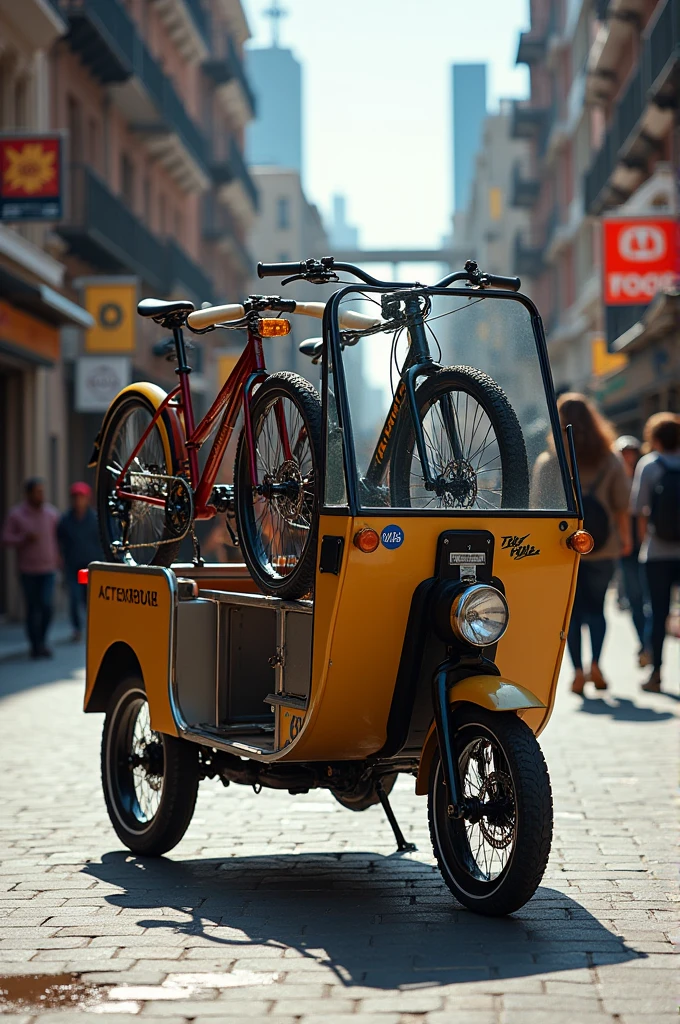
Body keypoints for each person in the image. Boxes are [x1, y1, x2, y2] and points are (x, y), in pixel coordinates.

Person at [534, 394, 631, 695]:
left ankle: (576, 671)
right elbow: (622, 505)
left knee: (572, 614)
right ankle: (597, 665)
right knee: (597, 610)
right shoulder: (610, 457)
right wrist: (625, 539)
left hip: (564, 549)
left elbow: (539, 507)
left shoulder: (550, 461)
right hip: (603, 546)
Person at [630, 412, 680, 693]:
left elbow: (638, 510)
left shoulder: (649, 466)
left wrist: (640, 545)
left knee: (658, 613)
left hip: (657, 553)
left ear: (655, 438)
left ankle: (657, 674)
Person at [2, 477, 59, 658]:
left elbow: (58, 540)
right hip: (28, 570)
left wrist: (60, 560)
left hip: (49, 569)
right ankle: (36, 646)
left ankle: (42, 640)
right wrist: (23, 539)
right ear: (28, 494)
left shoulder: (51, 514)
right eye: (37, 491)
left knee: (47, 607)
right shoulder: (16, 515)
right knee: (33, 609)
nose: (41, 495)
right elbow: (5, 538)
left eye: (42, 491)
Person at [613, 435, 651, 666]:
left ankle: (648, 645)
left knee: (650, 599)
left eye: (631, 452)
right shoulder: (614, 476)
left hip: (648, 545)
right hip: (626, 548)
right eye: (624, 452)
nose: (628, 456)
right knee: (636, 599)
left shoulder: (644, 475)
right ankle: (645, 645)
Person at [57, 482, 103, 641]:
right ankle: (77, 628)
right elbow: (59, 540)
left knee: (90, 599)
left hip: (91, 566)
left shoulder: (96, 519)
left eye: (81, 497)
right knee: (74, 598)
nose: (78, 501)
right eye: (75, 497)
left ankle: (93, 627)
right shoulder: (65, 519)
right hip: (72, 565)